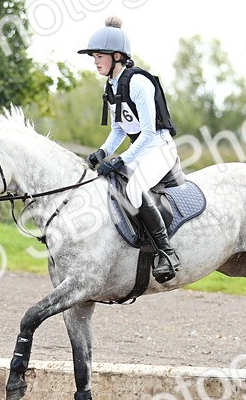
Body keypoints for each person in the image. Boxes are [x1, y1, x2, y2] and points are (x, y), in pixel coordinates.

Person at [78, 16, 182, 284]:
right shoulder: (111, 85)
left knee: (134, 189)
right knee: (109, 184)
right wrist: (102, 153)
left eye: (99, 56)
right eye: (94, 57)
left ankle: (166, 252)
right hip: (142, 147)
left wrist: (120, 159)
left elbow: (147, 133)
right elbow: (119, 130)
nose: (95, 61)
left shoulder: (137, 83)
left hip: (159, 146)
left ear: (117, 56)